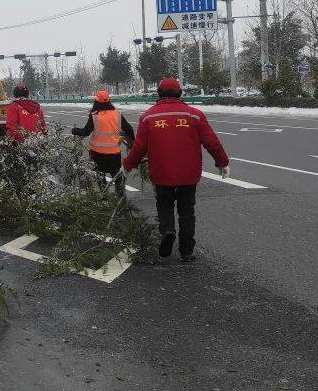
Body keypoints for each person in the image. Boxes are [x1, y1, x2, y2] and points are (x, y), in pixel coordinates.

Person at [122, 78, 230, 263]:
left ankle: (168, 230)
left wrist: (127, 166)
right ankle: (186, 251)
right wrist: (222, 162)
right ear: (180, 93)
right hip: (188, 173)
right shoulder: (195, 115)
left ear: (158, 94)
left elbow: (139, 147)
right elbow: (211, 142)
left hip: (161, 172)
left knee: (164, 204)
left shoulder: (148, 117)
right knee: (187, 210)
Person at [71, 89, 135, 194]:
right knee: (116, 175)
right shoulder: (117, 114)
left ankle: (103, 195)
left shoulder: (95, 116)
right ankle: (120, 196)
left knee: (100, 176)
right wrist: (133, 144)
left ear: (96, 102)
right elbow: (129, 130)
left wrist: (74, 130)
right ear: (109, 101)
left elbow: (86, 132)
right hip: (114, 153)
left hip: (97, 153)